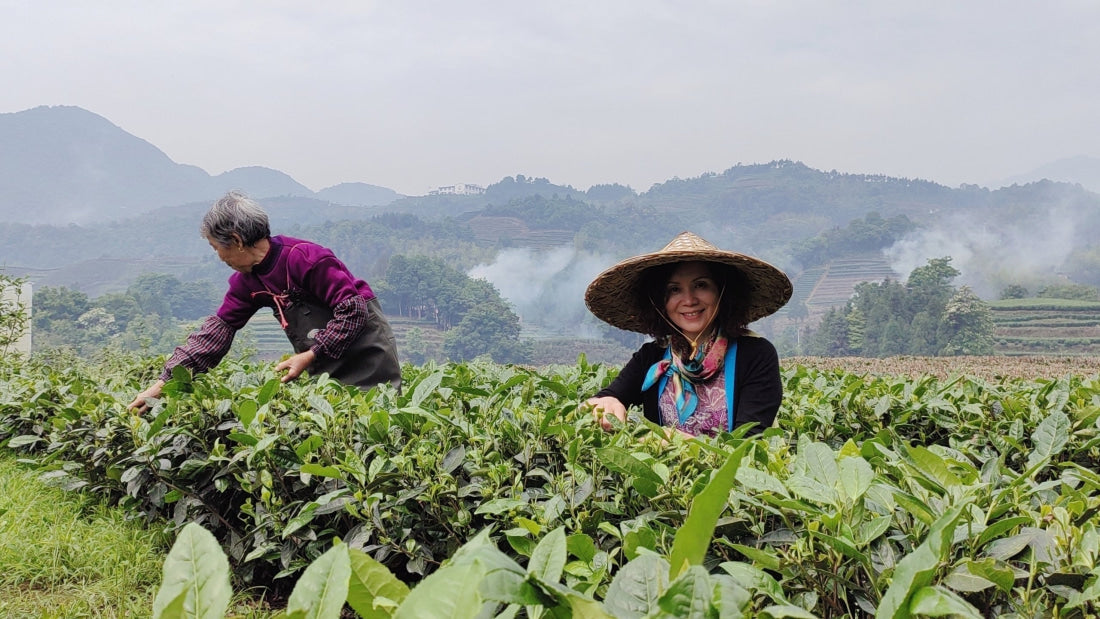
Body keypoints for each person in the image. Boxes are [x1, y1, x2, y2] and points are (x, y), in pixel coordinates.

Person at [129, 191, 401, 411]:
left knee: (377, 417)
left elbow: (352, 310)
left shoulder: (304, 258)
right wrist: (163, 384)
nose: (219, 258)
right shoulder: (247, 282)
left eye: (216, 248)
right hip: (325, 359)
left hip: (366, 351)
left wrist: (310, 355)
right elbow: (213, 335)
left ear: (236, 240)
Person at [584, 231, 792, 437]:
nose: (689, 300)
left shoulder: (755, 354)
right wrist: (605, 402)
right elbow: (607, 397)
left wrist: (682, 443)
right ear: (660, 301)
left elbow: (751, 442)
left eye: (701, 285)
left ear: (722, 292)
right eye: (674, 290)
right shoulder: (652, 356)